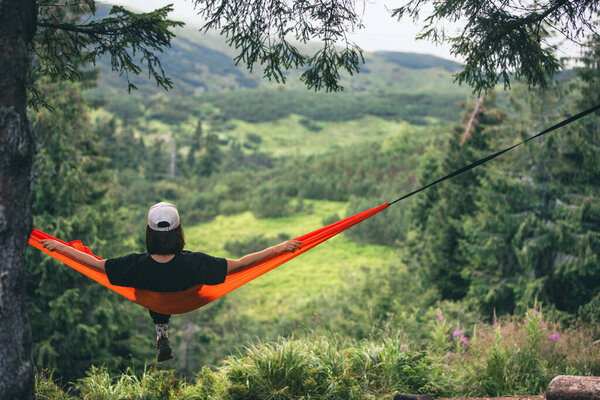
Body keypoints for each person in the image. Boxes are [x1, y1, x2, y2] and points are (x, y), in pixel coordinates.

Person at [40, 202, 302, 362]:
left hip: (153, 297)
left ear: (149, 234)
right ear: (179, 232)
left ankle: (161, 331)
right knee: (167, 292)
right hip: (186, 300)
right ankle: (161, 331)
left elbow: (95, 264)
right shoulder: (195, 262)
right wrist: (279, 247)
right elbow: (242, 263)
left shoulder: (135, 263)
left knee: (156, 292)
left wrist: (61, 248)